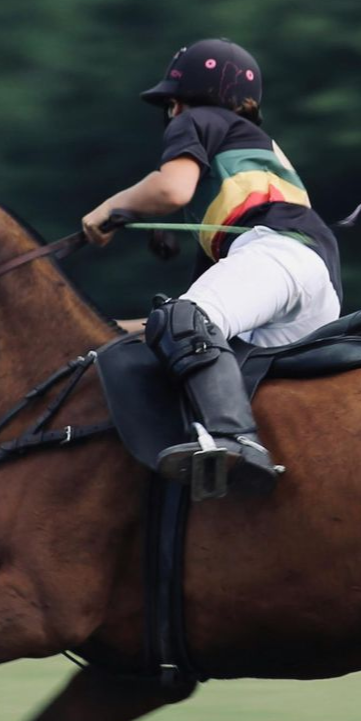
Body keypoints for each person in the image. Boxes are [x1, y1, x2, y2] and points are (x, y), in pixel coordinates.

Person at [82, 39, 342, 498]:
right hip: (316, 287)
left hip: (277, 255)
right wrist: (107, 331)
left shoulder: (196, 119)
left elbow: (174, 190)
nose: (170, 114)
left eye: (170, 105)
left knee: (188, 321)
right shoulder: (263, 160)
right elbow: (187, 329)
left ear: (179, 102)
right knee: (188, 330)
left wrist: (109, 207)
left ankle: (235, 439)